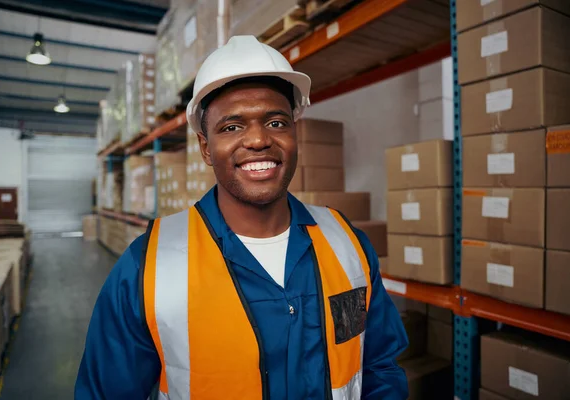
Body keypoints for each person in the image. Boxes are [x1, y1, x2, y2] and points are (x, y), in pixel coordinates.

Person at [76, 35, 408, 400]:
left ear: (295, 134)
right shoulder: (148, 268)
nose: (258, 140)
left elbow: (380, 367)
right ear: (205, 148)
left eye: (277, 123)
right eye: (232, 127)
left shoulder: (347, 245)